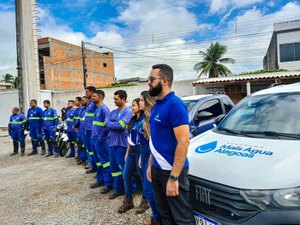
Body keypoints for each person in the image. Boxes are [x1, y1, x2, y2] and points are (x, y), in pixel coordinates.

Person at [146, 64, 196, 225]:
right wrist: (150, 165)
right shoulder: (157, 105)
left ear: (165, 81)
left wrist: (174, 177)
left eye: (152, 79)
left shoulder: (175, 105)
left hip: (172, 172)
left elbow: (183, 142)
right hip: (157, 169)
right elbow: (155, 139)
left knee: (182, 217)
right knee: (164, 213)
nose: (149, 83)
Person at [138, 91, 161, 225]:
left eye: (141, 100)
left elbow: (154, 142)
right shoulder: (144, 118)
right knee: (148, 189)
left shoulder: (152, 118)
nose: (139, 102)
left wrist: (150, 161)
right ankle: (156, 216)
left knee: (148, 190)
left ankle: (157, 219)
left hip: (152, 154)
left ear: (147, 101)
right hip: (145, 153)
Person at [118, 98, 143, 213]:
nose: (131, 108)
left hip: (140, 151)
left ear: (139, 107)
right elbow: (130, 139)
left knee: (142, 177)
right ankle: (128, 201)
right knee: (126, 175)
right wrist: (127, 152)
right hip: (131, 151)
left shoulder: (143, 121)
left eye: (133, 105)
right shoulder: (132, 120)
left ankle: (145, 201)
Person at [105, 90, 132, 199]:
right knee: (114, 168)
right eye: (114, 99)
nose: (114, 101)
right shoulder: (113, 112)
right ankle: (117, 189)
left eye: (116, 99)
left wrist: (109, 124)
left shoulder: (128, 112)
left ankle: (130, 189)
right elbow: (110, 124)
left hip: (122, 144)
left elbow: (120, 125)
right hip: (112, 143)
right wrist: (111, 124)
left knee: (124, 168)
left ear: (123, 99)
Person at [90, 90, 112, 191]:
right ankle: (100, 179)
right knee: (98, 161)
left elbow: (107, 126)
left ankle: (108, 183)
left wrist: (101, 139)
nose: (92, 98)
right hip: (94, 139)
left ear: (100, 97)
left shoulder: (104, 109)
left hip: (101, 140)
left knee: (105, 162)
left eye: (94, 96)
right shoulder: (97, 109)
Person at [82, 86, 98, 173]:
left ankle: (96, 168)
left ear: (92, 92)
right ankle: (93, 165)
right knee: (90, 149)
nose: (86, 94)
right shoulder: (90, 103)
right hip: (87, 129)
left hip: (92, 129)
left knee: (94, 150)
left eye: (87, 92)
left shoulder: (95, 103)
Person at [73, 96, 88, 165]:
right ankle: (82, 158)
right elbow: (78, 119)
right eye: (81, 100)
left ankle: (87, 160)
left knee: (86, 145)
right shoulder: (81, 109)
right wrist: (75, 126)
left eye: (83, 100)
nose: (81, 102)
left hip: (86, 130)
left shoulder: (89, 109)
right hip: (80, 129)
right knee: (80, 144)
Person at [74, 96, 82, 161]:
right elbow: (76, 119)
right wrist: (75, 126)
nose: (75, 102)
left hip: (82, 129)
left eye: (76, 101)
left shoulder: (82, 109)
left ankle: (84, 158)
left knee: (83, 144)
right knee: (79, 143)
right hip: (78, 129)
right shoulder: (76, 110)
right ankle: (80, 156)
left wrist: (76, 126)